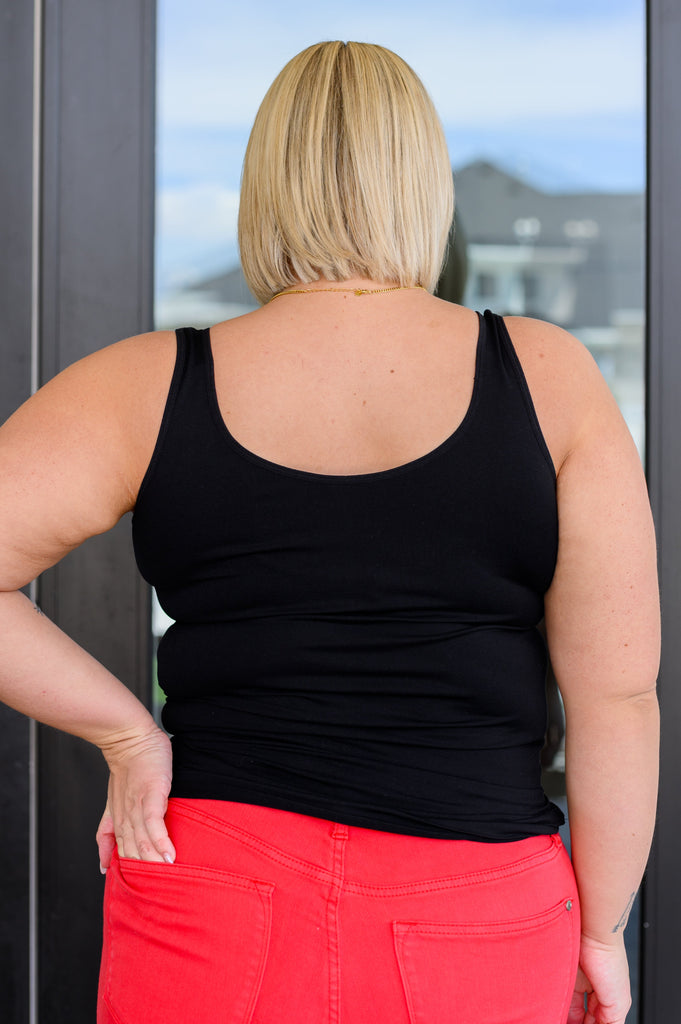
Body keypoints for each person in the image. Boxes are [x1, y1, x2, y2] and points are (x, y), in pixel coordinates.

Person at [0, 40, 659, 1024]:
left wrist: (129, 732)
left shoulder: (146, 383)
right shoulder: (548, 376)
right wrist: (602, 928)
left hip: (209, 882)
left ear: (265, 185)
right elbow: (618, 694)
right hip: (478, 904)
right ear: (420, 184)